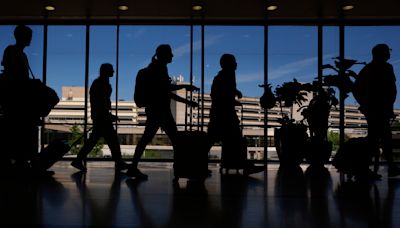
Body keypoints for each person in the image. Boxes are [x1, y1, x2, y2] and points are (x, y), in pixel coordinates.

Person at [126, 44, 198, 179]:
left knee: (146, 139)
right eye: (170, 53)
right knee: (175, 141)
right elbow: (166, 89)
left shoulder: (155, 68)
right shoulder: (158, 69)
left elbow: (165, 91)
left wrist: (187, 99)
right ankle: (179, 170)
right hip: (161, 111)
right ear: (163, 55)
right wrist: (184, 86)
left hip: (155, 110)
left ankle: (134, 167)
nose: (172, 55)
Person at [207, 54, 264, 175]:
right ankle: (241, 164)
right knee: (231, 138)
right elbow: (219, 95)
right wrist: (233, 98)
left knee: (218, 139)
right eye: (234, 62)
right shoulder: (225, 76)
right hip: (223, 114)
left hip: (222, 113)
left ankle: (238, 163)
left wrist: (235, 93)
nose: (236, 64)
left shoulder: (225, 76)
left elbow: (221, 93)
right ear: (228, 64)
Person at [71, 63, 129, 172]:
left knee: (95, 141)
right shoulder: (101, 84)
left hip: (99, 117)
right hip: (102, 117)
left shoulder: (100, 84)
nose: (113, 72)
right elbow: (101, 103)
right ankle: (119, 162)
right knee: (111, 141)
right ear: (106, 71)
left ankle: (78, 160)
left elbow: (100, 102)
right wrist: (108, 115)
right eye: (111, 70)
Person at [354, 43, 400, 178]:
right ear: (382, 53)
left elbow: (356, 89)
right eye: (387, 51)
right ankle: (368, 168)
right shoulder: (385, 68)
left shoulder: (368, 69)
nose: (389, 53)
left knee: (378, 138)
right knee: (380, 138)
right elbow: (390, 90)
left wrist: (364, 104)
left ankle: (368, 168)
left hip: (376, 109)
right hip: (379, 109)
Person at [0, 25, 41, 174]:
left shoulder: (19, 53)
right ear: (21, 36)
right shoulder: (13, 51)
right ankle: (21, 162)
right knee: (20, 129)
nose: (30, 39)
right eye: (28, 36)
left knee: (21, 130)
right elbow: (12, 75)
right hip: (15, 98)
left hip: (18, 96)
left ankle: (21, 162)